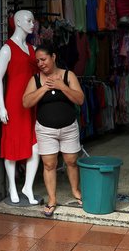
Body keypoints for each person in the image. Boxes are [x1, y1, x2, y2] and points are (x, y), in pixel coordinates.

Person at [22, 44, 85, 217]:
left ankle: (75, 191)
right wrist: (44, 87)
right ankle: (52, 199)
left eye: (43, 59)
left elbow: (80, 99)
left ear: (53, 57)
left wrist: (61, 86)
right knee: (49, 164)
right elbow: (26, 102)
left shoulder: (68, 75)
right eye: (38, 61)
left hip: (69, 127)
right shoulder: (35, 79)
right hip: (45, 130)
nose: (41, 64)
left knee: (71, 161)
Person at [0, 10, 40, 206]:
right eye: (29, 20)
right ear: (18, 22)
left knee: (35, 147)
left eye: (33, 20)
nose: (33, 24)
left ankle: (27, 186)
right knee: (12, 147)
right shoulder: (7, 49)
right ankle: (12, 186)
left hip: (31, 103)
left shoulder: (33, 49)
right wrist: (1, 107)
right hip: (13, 103)